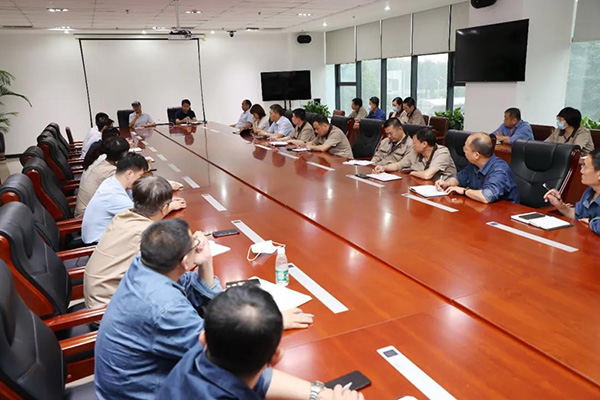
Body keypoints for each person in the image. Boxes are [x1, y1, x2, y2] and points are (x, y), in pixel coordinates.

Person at [94, 218, 313, 400]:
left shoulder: (147, 264)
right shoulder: (166, 308)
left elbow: (189, 286)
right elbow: (224, 352)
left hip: (140, 378)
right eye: (193, 243)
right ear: (184, 261)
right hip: (141, 393)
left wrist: (205, 260)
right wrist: (267, 321)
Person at [157, 286, 362, 400]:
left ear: (203, 338)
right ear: (276, 357)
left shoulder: (196, 359)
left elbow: (256, 377)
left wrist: (320, 395)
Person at [84, 175, 187, 309]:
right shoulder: (147, 234)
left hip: (99, 294)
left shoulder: (123, 216)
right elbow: (166, 274)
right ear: (165, 208)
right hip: (108, 306)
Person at [81, 153, 149, 244]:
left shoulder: (112, 181)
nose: (141, 180)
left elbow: (135, 198)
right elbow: (143, 218)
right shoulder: (113, 195)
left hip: (108, 236)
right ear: (129, 174)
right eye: (140, 176)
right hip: (98, 245)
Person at [435, 133, 520, 204]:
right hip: (481, 208)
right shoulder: (474, 164)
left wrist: (465, 191)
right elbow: (459, 178)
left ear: (476, 155)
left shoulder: (499, 170)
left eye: (465, 148)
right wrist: (447, 183)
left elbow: (486, 197)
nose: (464, 151)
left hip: (504, 213)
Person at [544, 149, 600, 235]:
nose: (581, 171)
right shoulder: (590, 191)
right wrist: (561, 206)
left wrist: (591, 222)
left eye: (585, 167)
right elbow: (578, 215)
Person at [75, 135, 129, 218]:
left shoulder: (101, 158)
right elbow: (128, 189)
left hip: (88, 211)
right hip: (86, 217)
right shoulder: (111, 171)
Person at [375, 127, 456, 181]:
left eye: (414, 143)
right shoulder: (416, 152)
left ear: (424, 144)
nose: (412, 145)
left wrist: (412, 173)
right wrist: (384, 168)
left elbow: (427, 175)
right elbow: (399, 165)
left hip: (444, 191)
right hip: (423, 187)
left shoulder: (442, 153)